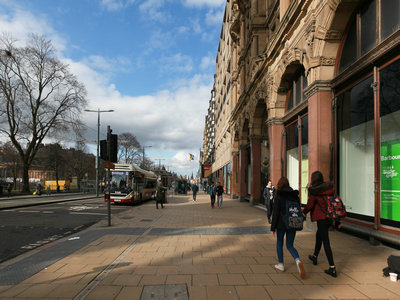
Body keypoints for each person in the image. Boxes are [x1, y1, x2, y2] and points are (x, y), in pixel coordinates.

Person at [302, 170, 337, 277]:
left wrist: (303, 212)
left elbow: (310, 205)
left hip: (322, 218)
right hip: (330, 217)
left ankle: (332, 268)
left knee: (326, 242)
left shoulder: (315, 191)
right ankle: (315, 256)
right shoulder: (328, 188)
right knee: (319, 236)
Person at [270, 177, 306, 279]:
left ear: (279, 184)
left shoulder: (279, 195)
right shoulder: (295, 195)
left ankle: (281, 265)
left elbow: (275, 213)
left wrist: (273, 227)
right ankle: (298, 260)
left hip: (281, 224)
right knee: (290, 245)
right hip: (293, 222)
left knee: (280, 243)